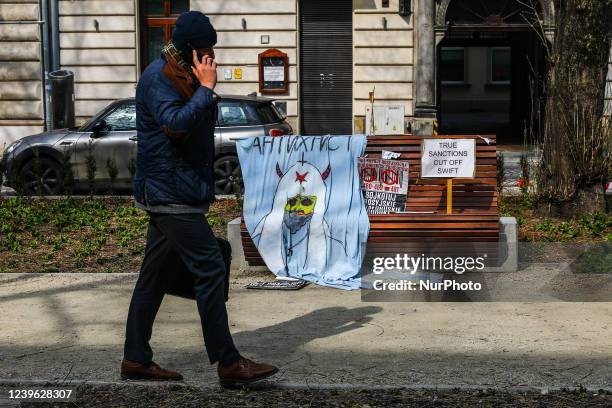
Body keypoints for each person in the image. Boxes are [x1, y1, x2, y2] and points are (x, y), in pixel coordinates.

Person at [121, 10, 278, 387]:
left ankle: (135, 359)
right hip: (169, 194)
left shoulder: (182, 73)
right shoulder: (159, 78)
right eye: (206, 49)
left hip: (175, 192)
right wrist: (206, 89)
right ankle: (228, 363)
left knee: (153, 277)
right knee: (209, 266)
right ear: (191, 49)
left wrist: (204, 87)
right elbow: (175, 126)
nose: (211, 56)